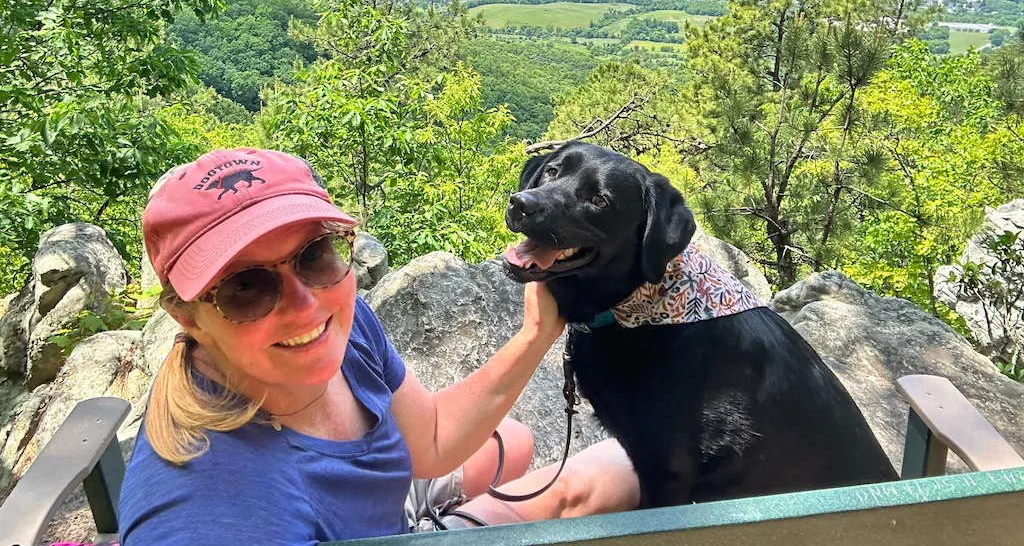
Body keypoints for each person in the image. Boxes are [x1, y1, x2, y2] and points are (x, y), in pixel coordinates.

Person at [119, 148, 639, 544]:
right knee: (612, 473)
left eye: (314, 254)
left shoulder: (338, 323)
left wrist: (537, 333)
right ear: (187, 316)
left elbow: (432, 439)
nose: (306, 305)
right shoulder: (219, 518)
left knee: (516, 439)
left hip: (386, 509)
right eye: (244, 287)